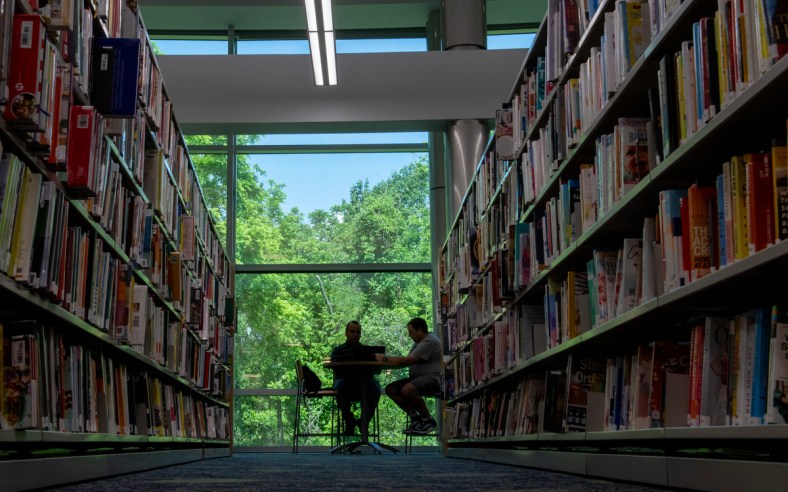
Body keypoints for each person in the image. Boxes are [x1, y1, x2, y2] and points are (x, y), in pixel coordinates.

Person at [375, 317, 442, 435]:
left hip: (433, 378)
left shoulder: (429, 341)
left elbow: (408, 360)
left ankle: (428, 420)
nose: (409, 335)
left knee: (407, 390)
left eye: (411, 332)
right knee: (390, 389)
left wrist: (384, 358)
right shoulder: (419, 343)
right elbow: (407, 359)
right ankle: (415, 418)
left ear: (420, 330)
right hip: (418, 378)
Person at [330, 320, 381, 439]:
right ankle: (349, 421)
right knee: (341, 386)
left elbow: (376, 370)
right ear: (346, 333)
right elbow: (335, 368)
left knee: (375, 388)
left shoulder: (368, 351)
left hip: (364, 383)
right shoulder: (338, 350)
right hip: (345, 382)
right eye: (352, 332)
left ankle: (364, 422)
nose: (355, 334)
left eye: (358, 332)